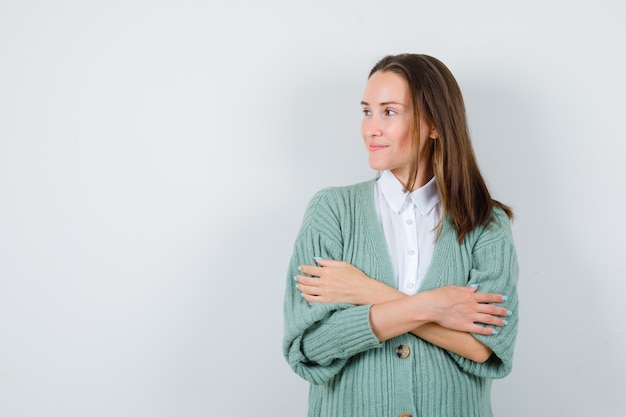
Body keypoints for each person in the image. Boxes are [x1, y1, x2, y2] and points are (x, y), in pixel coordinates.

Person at [283, 53, 519, 417]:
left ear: (434, 124)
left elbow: (483, 347)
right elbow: (310, 346)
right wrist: (433, 305)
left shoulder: (485, 222)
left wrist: (364, 291)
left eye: (389, 112)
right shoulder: (332, 211)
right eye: (367, 111)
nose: (370, 128)